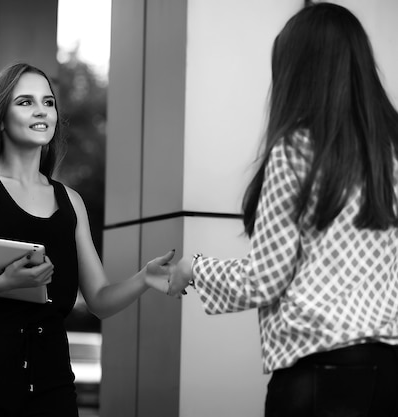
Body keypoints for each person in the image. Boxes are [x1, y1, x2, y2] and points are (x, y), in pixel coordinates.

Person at [168, 3, 398, 416]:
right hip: (390, 371)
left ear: (299, 71)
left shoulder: (296, 149)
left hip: (319, 374)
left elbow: (265, 279)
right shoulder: (392, 154)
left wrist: (193, 268)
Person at [0, 62, 175, 417]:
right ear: (0, 118)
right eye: (25, 102)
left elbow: (99, 300)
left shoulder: (71, 202)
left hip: (51, 379)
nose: (41, 110)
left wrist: (144, 278)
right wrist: (1, 283)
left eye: (48, 102)